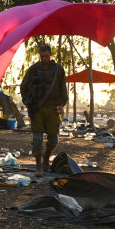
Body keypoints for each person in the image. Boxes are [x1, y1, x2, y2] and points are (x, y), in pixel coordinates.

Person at [20, 44, 68, 176]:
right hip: (37, 109)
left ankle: (47, 155)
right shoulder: (34, 69)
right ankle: (39, 165)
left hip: (52, 109)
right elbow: (23, 86)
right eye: (41, 56)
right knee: (37, 139)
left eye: (46, 56)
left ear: (50, 54)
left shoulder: (58, 70)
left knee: (53, 140)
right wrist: (26, 101)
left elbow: (63, 89)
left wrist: (62, 104)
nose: (44, 58)